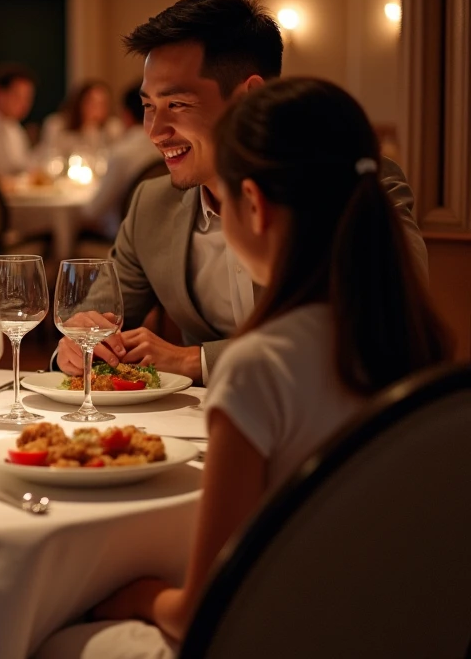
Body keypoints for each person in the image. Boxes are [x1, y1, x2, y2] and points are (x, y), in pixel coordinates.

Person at [36, 78, 450, 657]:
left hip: (282, 636)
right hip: (397, 629)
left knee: (49, 639)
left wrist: (135, 597)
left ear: (252, 204)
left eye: (222, 198)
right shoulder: (418, 344)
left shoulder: (260, 365)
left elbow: (204, 611)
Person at [54, 0, 428, 383]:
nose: (155, 132)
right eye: (148, 107)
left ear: (250, 97)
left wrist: (193, 360)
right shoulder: (152, 204)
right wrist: (76, 346)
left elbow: (388, 322)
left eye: (177, 104)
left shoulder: (353, 184)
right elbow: (94, 323)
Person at [78, 82, 164, 240]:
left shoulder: (123, 153)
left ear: (126, 115)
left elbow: (93, 212)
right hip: (161, 234)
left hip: (121, 239)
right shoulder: (168, 149)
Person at [40, 79, 123, 157]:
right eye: (92, 103)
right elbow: (49, 155)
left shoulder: (113, 129)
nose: (97, 109)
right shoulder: (58, 125)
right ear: (80, 102)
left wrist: (92, 130)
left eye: (102, 104)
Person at [0, 63, 35, 176]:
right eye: (17, 96)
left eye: (27, 98)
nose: (24, 104)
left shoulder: (16, 128)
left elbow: (24, 166)